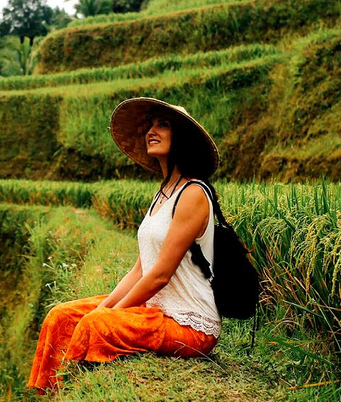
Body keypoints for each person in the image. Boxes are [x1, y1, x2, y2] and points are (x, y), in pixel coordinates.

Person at [28, 97, 223, 394]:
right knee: (62, 316)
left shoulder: (193, 193)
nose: (151, 131)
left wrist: (109, 314)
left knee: (97, 326)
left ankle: (71, 387)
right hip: (154, 311)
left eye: (163, 124)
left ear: (181, 136)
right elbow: (140, 269)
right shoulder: (162, 195)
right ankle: (50, 395)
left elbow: (160, 276)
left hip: (189, 325)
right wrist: (106, 307)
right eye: (150, 125)